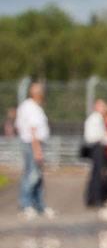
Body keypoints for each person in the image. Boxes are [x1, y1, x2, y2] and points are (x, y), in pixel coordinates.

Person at [15, 82, 54, 219]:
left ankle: (38, 205)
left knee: (36, 176)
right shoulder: (31, 108)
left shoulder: (30, 106)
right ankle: (26, 204)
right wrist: (37, 150)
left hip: (31, 143)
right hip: (33, 144)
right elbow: (33, 130)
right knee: (32, 175)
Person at [83, 99, 107, 207]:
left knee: (95, 174)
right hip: (96, 146)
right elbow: (95, 136)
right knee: (97, 174)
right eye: (102, 106)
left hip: (96, 146)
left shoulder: (96, 118)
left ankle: (92, 198)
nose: (104, 108)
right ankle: (95, 199)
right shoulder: (96, 118)